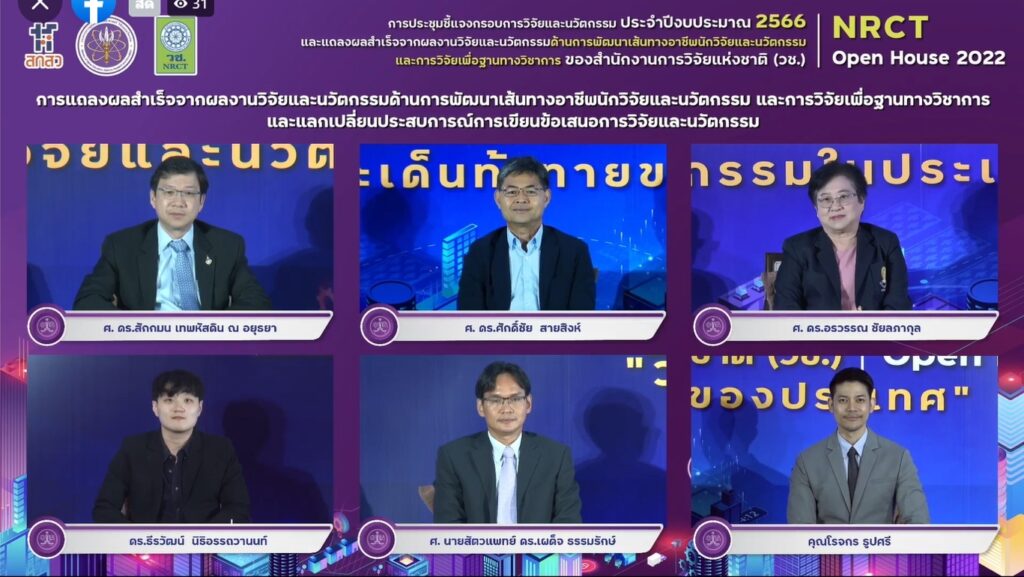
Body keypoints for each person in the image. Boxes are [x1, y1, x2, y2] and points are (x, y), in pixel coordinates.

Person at [73, 156, 271, 310]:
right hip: (145, 343)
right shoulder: (122, 246)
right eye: (169, 192)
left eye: (188, 193)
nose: (178, 202)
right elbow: (87, 301)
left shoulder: (227, 245)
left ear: (201, 202)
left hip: (206, 343)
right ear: (153, 198)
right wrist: (134, 329)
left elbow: (256, 303)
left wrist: (212, 330)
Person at [433, 361, 582, 524]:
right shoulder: (454, 456)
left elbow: (568, 523)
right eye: (495, 400)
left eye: (515, 399)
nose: (506, 409)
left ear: (528, 403)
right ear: (480, 406)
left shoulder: (556, 457)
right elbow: (448, 525)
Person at [93, 370, 251, 523]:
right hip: (145, 541)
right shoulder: (133, 449)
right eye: (169, 400)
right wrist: (137, 538)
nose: (178, 408)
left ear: (200, 408)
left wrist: (203, 538)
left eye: (187, 400)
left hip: (202, 541)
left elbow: (238, 509)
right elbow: (104, 509)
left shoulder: (220, 451)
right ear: (155, 407)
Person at [787, 368, 929, 524]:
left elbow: (918, 521)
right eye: (843, 400)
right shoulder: (807, 462)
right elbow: (800, 528)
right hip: (827, 541)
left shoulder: (898, 458)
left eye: (860, 400)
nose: (852, 408)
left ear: (872, 404)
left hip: (881, 541)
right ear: (830, 405)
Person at [457, 156, 596, 310]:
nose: (521, 199)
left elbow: (582, 316)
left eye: (530, 191)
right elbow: (469, 315)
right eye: (512, 192)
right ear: (498, 199)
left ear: (546, 197)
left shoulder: (574, 251)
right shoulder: (480, 252)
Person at [772, 162, 912, 310]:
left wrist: (870, 323)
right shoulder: (797, 248)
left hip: (875, 326)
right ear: (816, 208)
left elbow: (898, 305)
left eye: (843, 196)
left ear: (861, 200)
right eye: (826, 199)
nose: (835, 206)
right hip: (817, 326)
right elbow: (786, 308)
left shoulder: (886, 242)